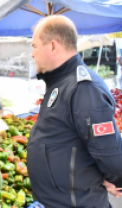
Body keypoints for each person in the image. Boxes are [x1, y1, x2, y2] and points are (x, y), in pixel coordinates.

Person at [27, 15, 122, 207]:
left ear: (53, 46)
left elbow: (110, 154)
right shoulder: (61, 83)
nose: (32, 54)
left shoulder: (83, 88)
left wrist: (114, 180)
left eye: (35, 46)